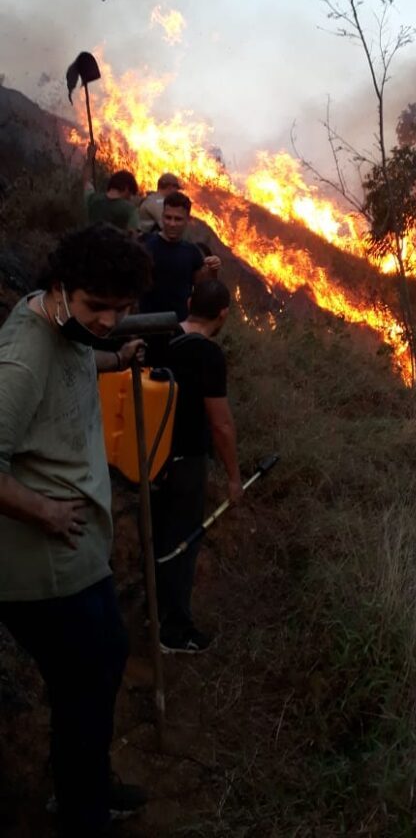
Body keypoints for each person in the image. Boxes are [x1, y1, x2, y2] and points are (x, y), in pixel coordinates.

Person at [0, 223, 152, 837]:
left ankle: (79, 779)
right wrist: (44, 510)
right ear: (60, 289)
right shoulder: (21, 357)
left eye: (122, 310)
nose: (109, 320)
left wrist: (115, 357)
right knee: (87, 685)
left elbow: (81, 354)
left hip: (76, 554)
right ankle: (84, 809)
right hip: (46, 564)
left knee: (94, 670)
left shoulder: (67, 326)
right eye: (98, 307)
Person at [153, 279, 243, 655]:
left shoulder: (163, 335)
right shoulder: (208, 355)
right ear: (223, 314)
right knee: (183, 543)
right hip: (185, 462)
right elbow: (221, 424)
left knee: (158, 534)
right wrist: (235, 477)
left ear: (189, 302)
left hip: (149, 457)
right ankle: (174, 631)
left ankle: (155, 610)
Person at [140, 190, 221, 324]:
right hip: (145, 324)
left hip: (178, 327)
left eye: (178, 219)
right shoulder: (146, 246)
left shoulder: (192, 252)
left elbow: (204, 289)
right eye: (168, 217)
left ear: (188, 220)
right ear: (162, 216)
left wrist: (213, 269)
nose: (172, 223)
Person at [83, 144, 140, 233]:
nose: (130, 198)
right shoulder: (130, 210)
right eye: (130, 194)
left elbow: (86, 181)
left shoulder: (92, 200)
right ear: (126, 188)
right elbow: (133, 235)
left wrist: (89, 159)